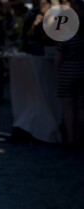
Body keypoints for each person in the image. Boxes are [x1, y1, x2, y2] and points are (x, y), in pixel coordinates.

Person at [56, 0, 84, 147]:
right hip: (81, 69)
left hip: (67, 71)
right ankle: (79, 137)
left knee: (68, 107)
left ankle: (71, 138)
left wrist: (57, 72)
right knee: (80, 106)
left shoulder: (66, 33)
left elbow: (59, 57)